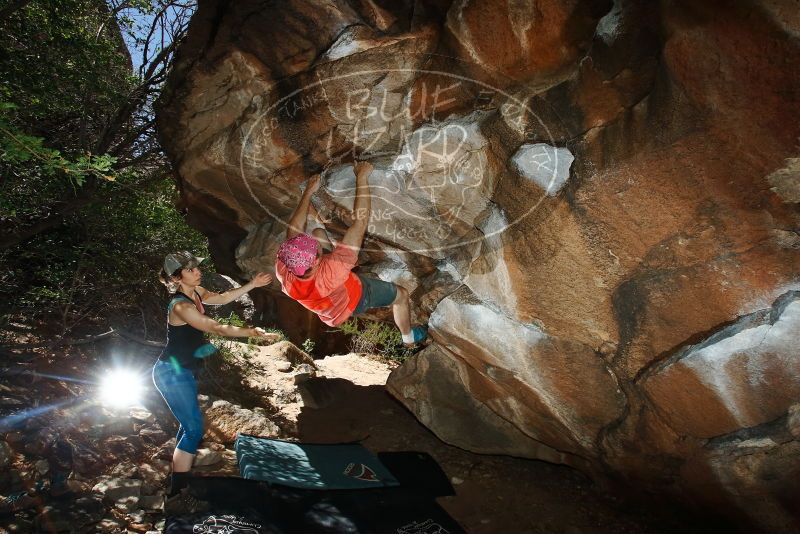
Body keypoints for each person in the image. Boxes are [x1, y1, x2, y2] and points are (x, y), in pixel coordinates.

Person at [153, 251, 278, 514]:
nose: (198, 271)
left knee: (188, 427)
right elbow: (215, 327)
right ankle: (176, 497)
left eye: (197, 267)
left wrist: (251, 285)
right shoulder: (180, 305)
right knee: (193, 430)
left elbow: (220, 298)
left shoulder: (196, 292)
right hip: (171, 374)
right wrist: (250, 332)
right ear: (178, 277)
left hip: (183, 372)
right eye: (191, 269)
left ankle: (178, 483)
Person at [274, 161, 427, 345]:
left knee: (318, 233)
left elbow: (294, 230)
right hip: (353, 299)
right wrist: (362, 176)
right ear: (315, 261)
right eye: (314, 247)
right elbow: (360, 223)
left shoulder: (285, 267)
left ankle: (326, 236)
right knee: (401, 295)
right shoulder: (334, 269)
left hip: (326, 305)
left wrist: (308, 191)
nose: (311, 242)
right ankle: (408, 337)